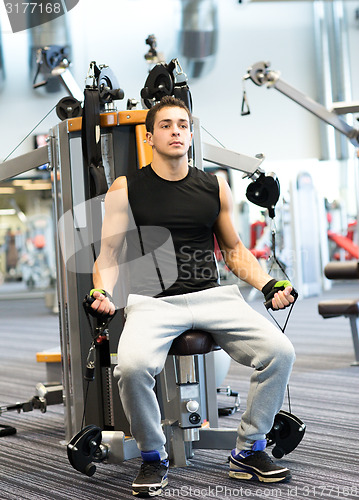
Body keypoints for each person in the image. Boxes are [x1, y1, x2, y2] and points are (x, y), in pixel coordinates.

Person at [89, 96, 296, 497]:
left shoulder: (213, 185)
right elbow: (109, 254)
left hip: (212, 296)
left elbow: (234, 250)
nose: (176, 131)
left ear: (189, 134)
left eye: (182, 125)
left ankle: (249, 450)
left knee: (280, 351)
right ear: (149, 137)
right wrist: (102, 290)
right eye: (166, 125)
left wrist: (269, 286)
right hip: (153, 302)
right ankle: (153, 456)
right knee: (130, 369)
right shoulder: (125, 188)